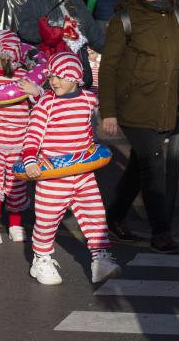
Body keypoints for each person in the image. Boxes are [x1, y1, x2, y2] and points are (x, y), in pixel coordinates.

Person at [99, 0, 179, 253]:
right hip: (135, 106)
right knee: (154, 163)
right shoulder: (125, 17)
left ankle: (114, 215)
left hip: (167, 104)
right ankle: (161, 232)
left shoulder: (177, 16)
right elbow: (109, 68)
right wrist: (109, 112)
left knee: (140, 164)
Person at [23, 52, 121, 285]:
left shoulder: (88, 100)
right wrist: (30, 160)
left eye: (60, 76)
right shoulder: (47, 103)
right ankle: (41, 258)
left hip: (83, 173)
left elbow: (108, 101)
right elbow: (33, 134)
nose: (54, 81)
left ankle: (100, 259)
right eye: (52, 76)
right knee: (47, 219)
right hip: (53, 176)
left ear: (75, 78)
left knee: (95, 215)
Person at [0, 30, 40, 246]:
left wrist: (35, 90)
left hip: (18, 145)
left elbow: (37, 103)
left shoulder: (24, 77)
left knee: (16, 188)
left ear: (6, 55)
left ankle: (15, 225)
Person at [17, 0, 104, 87]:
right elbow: (25, 30)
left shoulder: (76, 1)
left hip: (78, 75)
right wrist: (55, 32)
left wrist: (113, 53)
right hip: (50, 77)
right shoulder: (37, 0)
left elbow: (94, 34)